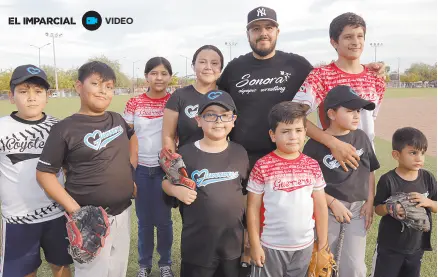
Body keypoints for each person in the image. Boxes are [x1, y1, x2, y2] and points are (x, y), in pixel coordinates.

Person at [217, 7, 385, 171]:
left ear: (277, 32)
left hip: (290, 155)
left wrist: (367, 69)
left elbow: (341, 77)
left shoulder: (297, 65)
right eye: (256, 28)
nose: (263, 33)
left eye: (269, 27)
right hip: (242, 157)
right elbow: (216, 100)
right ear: (248, 34)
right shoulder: (234, 68)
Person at [36, 61, 136, 277]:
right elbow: (44, 174)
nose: (103, 91)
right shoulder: (65, 128)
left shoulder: (116, 119)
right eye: (96, 83)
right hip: (90, 220)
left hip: (123, 213)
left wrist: (131, 173)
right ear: (79, 86)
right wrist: (77, 211)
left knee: (117, 272)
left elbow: (131, 138)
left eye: (109, 86)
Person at [162, 90, 249, 277]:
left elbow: (245, 195)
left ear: (233, 120)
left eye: (224, 115)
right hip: (198, 246)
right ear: (198, 120)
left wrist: (248, 233)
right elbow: (165, 184)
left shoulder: (240, 152)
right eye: (210, 115)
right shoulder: (185, 154)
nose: (218, 120)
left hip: (232, 243)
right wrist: (176, 190)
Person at [0, 65, 72, 277]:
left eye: (38, 91)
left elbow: (68, 169)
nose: (31, 97)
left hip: (56, 214)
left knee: (61, 266)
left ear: (47, 96)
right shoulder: (2, 128)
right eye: (23, 91)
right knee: (24, 271)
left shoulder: (59, 127)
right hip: (17, 218)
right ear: (11, 96)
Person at [293, 12, 386, 172]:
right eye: (348, 37)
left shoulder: (376, 78)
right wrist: (333, 143)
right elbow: (294, 116)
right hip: (332, 162)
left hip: (364, 163)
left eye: (360, 36)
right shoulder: (321, 76)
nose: (356, 42)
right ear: (334, 42)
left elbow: (368, 123)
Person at [302, 85, 380, 277]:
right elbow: (307, 183)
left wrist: (370, 202)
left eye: (358, 111)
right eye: (350, 110)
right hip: (325, 211)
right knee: (323, 265)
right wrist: (332, 203)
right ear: (331, 113)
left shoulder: (361, 138)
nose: (356, 116)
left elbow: (370, 171)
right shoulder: (314, 145)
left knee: (355, 268)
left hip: (357, 211)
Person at [247, 102, 328, 277]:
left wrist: (322, 242)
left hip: (304, 245)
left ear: (305, 132)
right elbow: (252, 207)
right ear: (272, 135)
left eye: (298, 130)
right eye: (285, 131)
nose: (293, 136)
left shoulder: (312, 165)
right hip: (271, 245)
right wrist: (254, 244)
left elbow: (320, 205)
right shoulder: (262, 165)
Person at [123, 57, 174, 277]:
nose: (159, 78)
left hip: (165, 171)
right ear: (146, 76)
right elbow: (127, 137)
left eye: (163, 73)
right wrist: (129, 171)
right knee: (143, 222)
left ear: (170, 76)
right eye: (154, 73)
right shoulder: (134, 103)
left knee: (163, 222)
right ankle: (144, 265)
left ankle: (165, 264)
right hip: (141, 169)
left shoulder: (175, 101)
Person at [371, 127, 437, 277]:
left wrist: (428, 202)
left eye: (422, 153)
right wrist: (390, 208)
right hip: (389, 247)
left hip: (416, 247)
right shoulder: (388, 180)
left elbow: (436, 205)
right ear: (396, 155)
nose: (419, 158)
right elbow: (378, 209)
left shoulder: (427, 178)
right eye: (413, 153)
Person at [162, 45, 224, 153]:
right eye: (202, 62)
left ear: (220, 68)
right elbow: (168, 136)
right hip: (187, 165)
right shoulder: (179, 96)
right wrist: (173, 164)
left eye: (214, 63)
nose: (208, 67)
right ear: (193, 66)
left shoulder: (226, 97)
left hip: (222, 165)